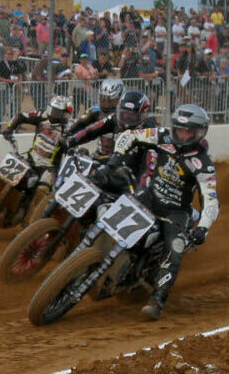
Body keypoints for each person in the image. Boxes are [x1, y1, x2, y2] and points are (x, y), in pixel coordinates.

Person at [92, 103, 220, 320]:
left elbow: (211, 200)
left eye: (188, 131)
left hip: (175, 212)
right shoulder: (161, 135)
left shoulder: (203, 164)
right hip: (148, 196)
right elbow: (130, 136)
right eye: (179, 129)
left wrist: (203, 229)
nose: (182, 134)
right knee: (107, 204)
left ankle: (157, 300)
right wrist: (117, 156)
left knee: (176, 247)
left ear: (199, 132)